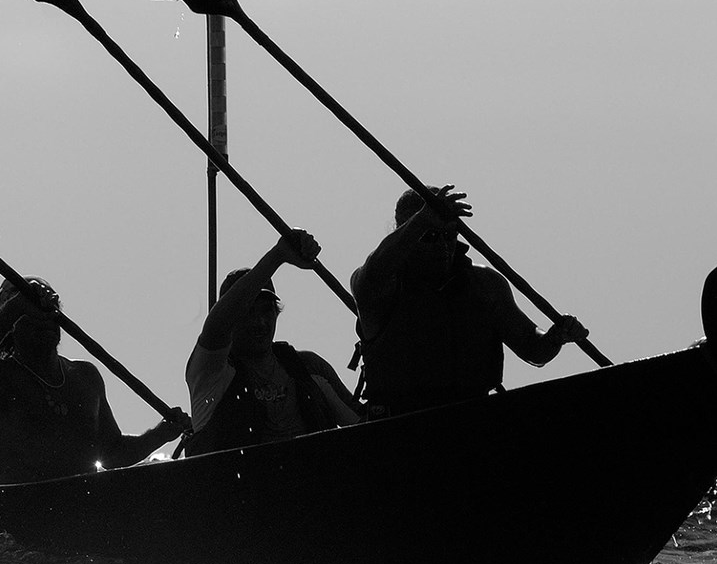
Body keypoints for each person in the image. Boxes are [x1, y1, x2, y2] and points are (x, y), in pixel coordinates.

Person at [351, 185, 588, 417]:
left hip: (473, 423)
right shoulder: (378, 286)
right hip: (400, 427)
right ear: (406, 232)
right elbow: (375, 271)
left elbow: (533, 347)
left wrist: (556, 336)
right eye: (430, 236)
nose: (442, 245)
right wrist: (423, 219)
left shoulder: (485, 284)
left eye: (449, 235)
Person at [0, 277, 190, 483]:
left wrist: (160, 434)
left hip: (82, 513)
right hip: (20, 513)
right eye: (31, 315)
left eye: (49, 313)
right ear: (12, 325)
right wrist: (14, 308)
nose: (44, 321)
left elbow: (112, 452)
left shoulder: (86, 376)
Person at [182, 230, 362, 456]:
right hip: (243, 489)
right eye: (247, 312)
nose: (259, 322)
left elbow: (366, 428)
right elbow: (216, 328)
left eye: (267, 311)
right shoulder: (211, 374)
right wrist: (278, 255)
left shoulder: (307, 367)